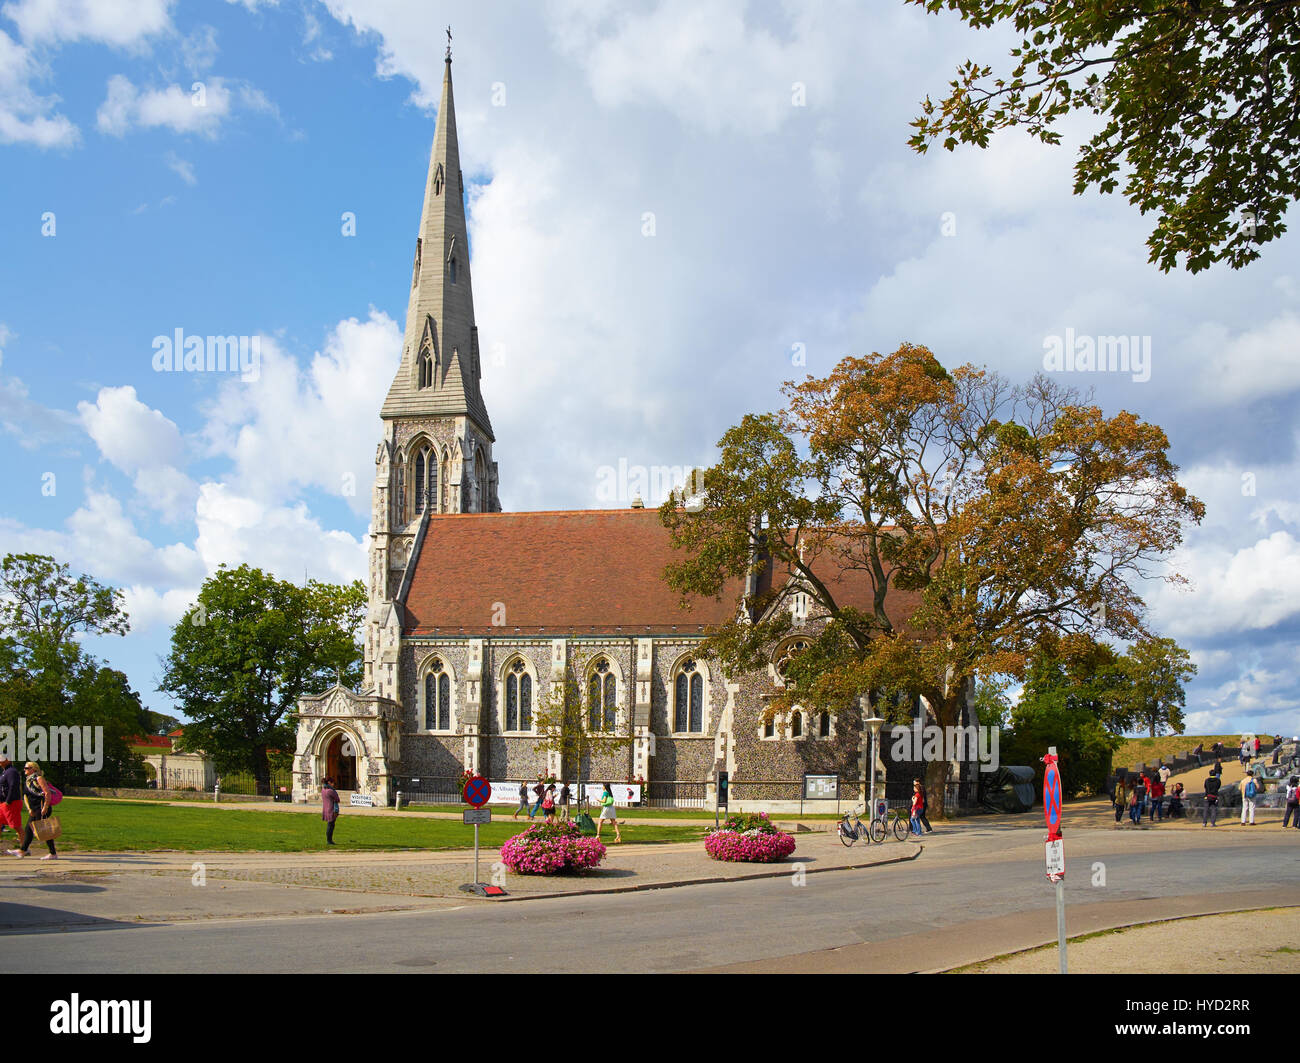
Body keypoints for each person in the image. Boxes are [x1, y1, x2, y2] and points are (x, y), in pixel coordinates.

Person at [7, 762, 57, 859]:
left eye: (27, 768)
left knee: (44, 831)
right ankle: (23, 851)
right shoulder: (28, 781)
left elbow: (47, 793)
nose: (25, 769)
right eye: (25, 768)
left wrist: (45, 807)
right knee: (28, 829)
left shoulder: (39, 778)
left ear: (33, 769)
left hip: (41, 808)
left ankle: (53, 853)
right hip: (34, 809)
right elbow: (25, 795)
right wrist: (29, 808)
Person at [0, 756, 21, 844]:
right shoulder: (5, 772)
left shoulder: (11, 772)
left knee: (16, 826)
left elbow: (13, 786)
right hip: (3, 803)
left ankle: (24, 848)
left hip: (11, 803)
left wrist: (8, 801)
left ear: (8, 760)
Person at [321, 776, 340, 845]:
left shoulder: (323, 790)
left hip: (326, 808)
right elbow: (337, 799)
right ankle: (329, 840)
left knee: (330, 824)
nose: (333, 785)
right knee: (331, 825)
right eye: (333, 783)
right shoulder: (331, 791)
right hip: (332, 809)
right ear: (330, 783)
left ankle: (329, 840)